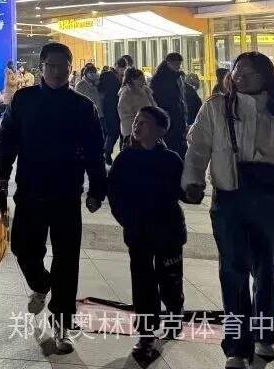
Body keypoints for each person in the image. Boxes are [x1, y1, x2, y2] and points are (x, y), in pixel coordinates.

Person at [183, 52, 274, 369]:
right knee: (233, 270)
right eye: (237, 71)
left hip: (269, 200)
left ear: (265, 77)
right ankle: (236, 347)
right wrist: (193, 180)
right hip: (229, 198)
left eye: (249, 73)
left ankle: (265, 336)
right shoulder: (216, 107)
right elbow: (198, 146)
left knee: (267, 269)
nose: (240, 77)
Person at [0, 42, 106, 354]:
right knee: (23, 248)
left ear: (70, 68)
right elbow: (8, 139)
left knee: (67, 259)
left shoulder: (83, 107)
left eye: (62, 66)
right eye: (51, 66)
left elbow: (95, 151)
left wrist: (97, 189)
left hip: (66, 192)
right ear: (41, 67)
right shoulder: (24, 100)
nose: (56, 72)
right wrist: (2, 175)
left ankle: (62, 323)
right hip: (30, 189)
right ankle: (42, 283)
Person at [107, 106, 186, 362]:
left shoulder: (171, 159)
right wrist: (126, 219)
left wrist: (194, 192)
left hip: (169, 230)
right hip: (138, 230)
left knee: (170, 278)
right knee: (142, 282)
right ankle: (146, 333)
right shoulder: (125, 159)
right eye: (136, 121)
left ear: (160, 130)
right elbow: (114, 192)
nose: (137, 125)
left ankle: (174, 310)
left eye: (144, 122)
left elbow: (183, 191)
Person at [150, 53, 189, 158]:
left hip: (177, 115)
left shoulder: (177, 76)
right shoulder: (160, 78)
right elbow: (159, 98)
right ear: (168, 63)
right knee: (171, 142)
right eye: (176, 64)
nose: (178, 66)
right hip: (167, 114)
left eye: (179, 64)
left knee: (178, 142)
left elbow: (181, 97)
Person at [119, 68, 156, 144]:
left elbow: (153, 105)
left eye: (143, 78)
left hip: (148, 129)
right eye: (140, 79)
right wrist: (137, 127)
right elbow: (125, 114)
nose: (143, 81)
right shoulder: (127, 93)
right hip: (134, 131)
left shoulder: (146, 90)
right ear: (132, 80)